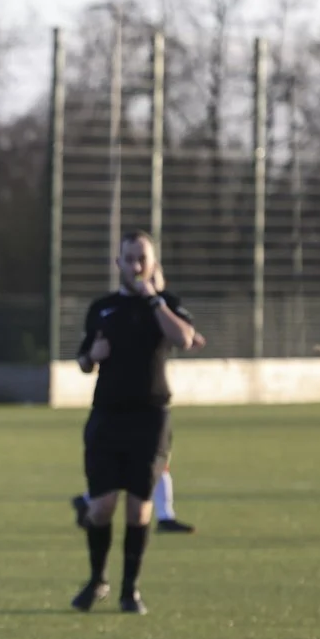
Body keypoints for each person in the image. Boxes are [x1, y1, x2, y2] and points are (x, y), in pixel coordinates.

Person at [71, 231, 203, 615]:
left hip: (151, 418)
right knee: (101, 507)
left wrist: (155, 301)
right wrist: (91, 356)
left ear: (153, 263)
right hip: (107, 417)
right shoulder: (102, 308)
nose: (136, 265)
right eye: (129, 258)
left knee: (139, 508)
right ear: (118, 264)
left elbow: (184, 338)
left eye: (142, 258)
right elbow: (83, 360)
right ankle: (97, 580)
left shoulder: (166, 305)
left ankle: (131, 590)